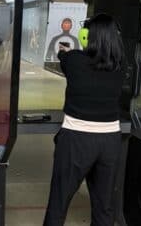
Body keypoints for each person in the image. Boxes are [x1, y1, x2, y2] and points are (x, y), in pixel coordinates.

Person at [43, 13, 124, 226]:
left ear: (89, 37)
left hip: (76, 141)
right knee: (103, 207)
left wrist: (66, 51)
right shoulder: (120, 67)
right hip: (110, 142)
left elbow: (64, 56)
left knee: (58, 203)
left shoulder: (74, 60)